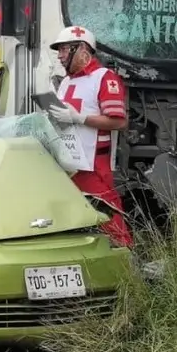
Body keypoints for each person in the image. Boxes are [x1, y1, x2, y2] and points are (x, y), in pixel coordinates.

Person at [46, 25, 134, 248]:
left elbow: (119, 121)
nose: (60, 55)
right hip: (68, 162)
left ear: (82, 49)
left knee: (109, 218)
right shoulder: (66, 82)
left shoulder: (105, 78)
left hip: (93, 164)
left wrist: (79, 118)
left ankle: (127, 263)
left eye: (64, 49)